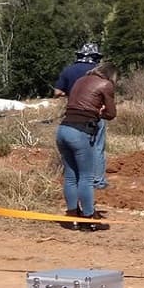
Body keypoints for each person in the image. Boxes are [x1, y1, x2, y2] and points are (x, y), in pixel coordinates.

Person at [55, 62, 118, 231]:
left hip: (63, 129)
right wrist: (100, 112)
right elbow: (111, 114)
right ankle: (89, 218)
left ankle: (72, 216)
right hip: (80, 132)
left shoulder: (80, 80)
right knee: (86, 177)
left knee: (70, 176)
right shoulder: (106, 84)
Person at [54, 43, 109, 189]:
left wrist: (70, 94)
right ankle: (98, 181)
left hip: (73, 115)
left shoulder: (68, 70)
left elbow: (57, 93)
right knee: (97, 147)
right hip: (95, 114)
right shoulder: (99, 73)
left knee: (75, 149)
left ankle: (77, 179)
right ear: (95, 57)